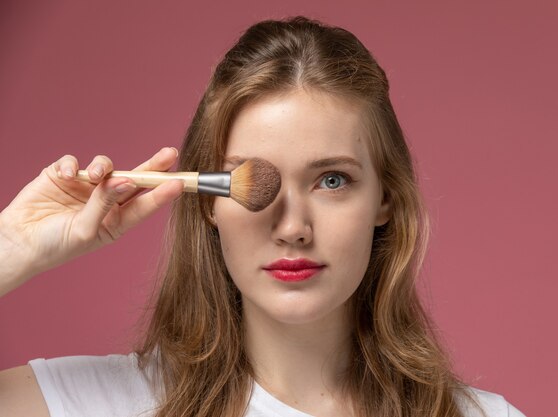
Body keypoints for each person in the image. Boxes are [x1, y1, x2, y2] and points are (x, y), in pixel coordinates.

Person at [0, 16, 525, 417]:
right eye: (252, 179)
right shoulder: (93, 405)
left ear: (384, 199)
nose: (293, 226)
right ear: (208, 201)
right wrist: (10, 248)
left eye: (332, 180)